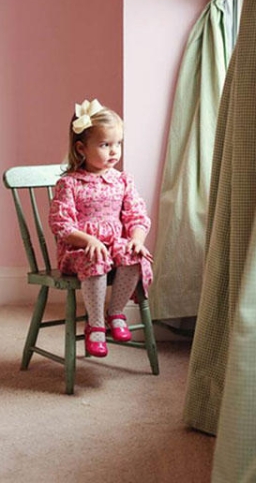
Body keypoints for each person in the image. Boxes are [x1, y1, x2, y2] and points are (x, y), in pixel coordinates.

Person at [49, 99, 153, 357]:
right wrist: (89, 241)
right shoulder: (70, 183)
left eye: (118, 144)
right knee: (95, 258)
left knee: (133, 254)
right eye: (105, 145)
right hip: (79, 250)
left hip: (114, 248)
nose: (114, 151)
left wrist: (137, 239)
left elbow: (136, 215)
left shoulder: (122, 180)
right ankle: (94, 324)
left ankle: (115, 312)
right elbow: (61, 224)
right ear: (82, 148)